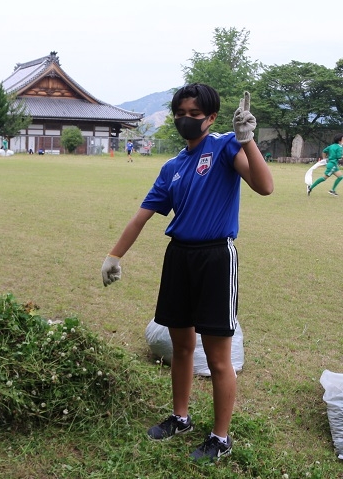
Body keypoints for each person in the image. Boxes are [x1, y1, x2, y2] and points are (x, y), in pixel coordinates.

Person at [101, 84, 273, 462]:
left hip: (215, 258)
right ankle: (180, 418)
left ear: (211, 118)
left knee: (218, 358)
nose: (186, 120)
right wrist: (114, 255)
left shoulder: (226, 147)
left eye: (194, 114)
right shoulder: (172, 167)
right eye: (180, 113)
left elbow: (264, 186)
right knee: (181, 347)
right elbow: (142, 216)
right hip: (178, 257)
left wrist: (248, 142)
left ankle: (220, 438)